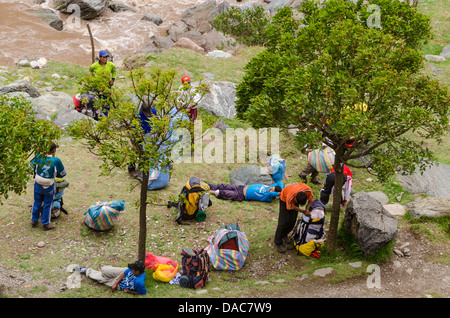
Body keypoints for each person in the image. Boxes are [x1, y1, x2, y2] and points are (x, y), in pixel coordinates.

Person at [30, 143, 67, 231]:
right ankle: (46, 224)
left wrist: (36, 172)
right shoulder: (56, 160)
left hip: (38, 183)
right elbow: (63, 173)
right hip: (49, 185)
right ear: (54, 150)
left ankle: (34, 221)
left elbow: (30, 166)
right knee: (47, 204)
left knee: (37, 201)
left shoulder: (39, 156)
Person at [274, 183, 314, 253]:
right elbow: (291, 207)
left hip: (294, 195)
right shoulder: (291, 197)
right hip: (284, 198)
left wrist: (307, 209)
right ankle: (278, 242)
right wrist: (303, 211)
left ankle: (284, 235)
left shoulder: (308, 191)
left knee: (292, 220)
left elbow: (310, 200)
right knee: (283, 222)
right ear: (296, 199)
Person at [74, 260, 146, 295]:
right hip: (120, 273)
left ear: (137, 272)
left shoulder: (139, 282)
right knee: (104, 269)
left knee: (101, 278)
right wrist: (116, 282)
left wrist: (129, 291)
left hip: (120, 285)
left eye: (133, 269)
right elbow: (125, 273)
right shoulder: (135, 270)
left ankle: (85, 271)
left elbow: (142, 293)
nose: (131, 269)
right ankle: (103, 272)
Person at [128, 100, 158, 178]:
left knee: (145, 152)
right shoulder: (137, 114)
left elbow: (157, 122)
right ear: (142, 109)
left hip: (148, 135)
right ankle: (131, 169)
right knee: (135, 150)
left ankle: (141, 167)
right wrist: (138, 134)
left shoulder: (153, 112)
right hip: (137, 136)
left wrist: (155, 129)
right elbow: (133, 127)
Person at [88, 50, 116, 118]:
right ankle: (95, 115)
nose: (105, 59)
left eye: (106, 57)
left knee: (106, 103)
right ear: (99, 57)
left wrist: (112, 79)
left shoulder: (110, 65)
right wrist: (93, 78)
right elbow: (90, 71)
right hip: (97, 87)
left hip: (106, 87)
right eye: (103, 57)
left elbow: (114, 71)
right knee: (95, 101)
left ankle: (106, 116)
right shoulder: (94, 66)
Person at [209, 181, 284, 202]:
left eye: (271, 190)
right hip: (241, 187)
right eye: (271, 188)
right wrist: (283, 190)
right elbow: (280, 182)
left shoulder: (267, 197)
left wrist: (280, 193)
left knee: (223, 193)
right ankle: (207, 185)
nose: (269, 189)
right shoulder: (269, 187)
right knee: (224, 186)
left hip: (240, 195)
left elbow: (271, 193)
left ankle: (209, 191)